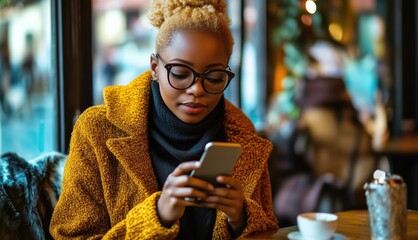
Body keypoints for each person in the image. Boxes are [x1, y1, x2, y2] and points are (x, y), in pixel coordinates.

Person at [50, 0, 279, 239]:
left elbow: (269, 227)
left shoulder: (242, 133)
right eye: (180, 73)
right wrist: (157, 216)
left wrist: (241, 217)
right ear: (155, 67)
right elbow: (70, 236)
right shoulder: (97, 130)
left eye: (214, 77)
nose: (196, 89)